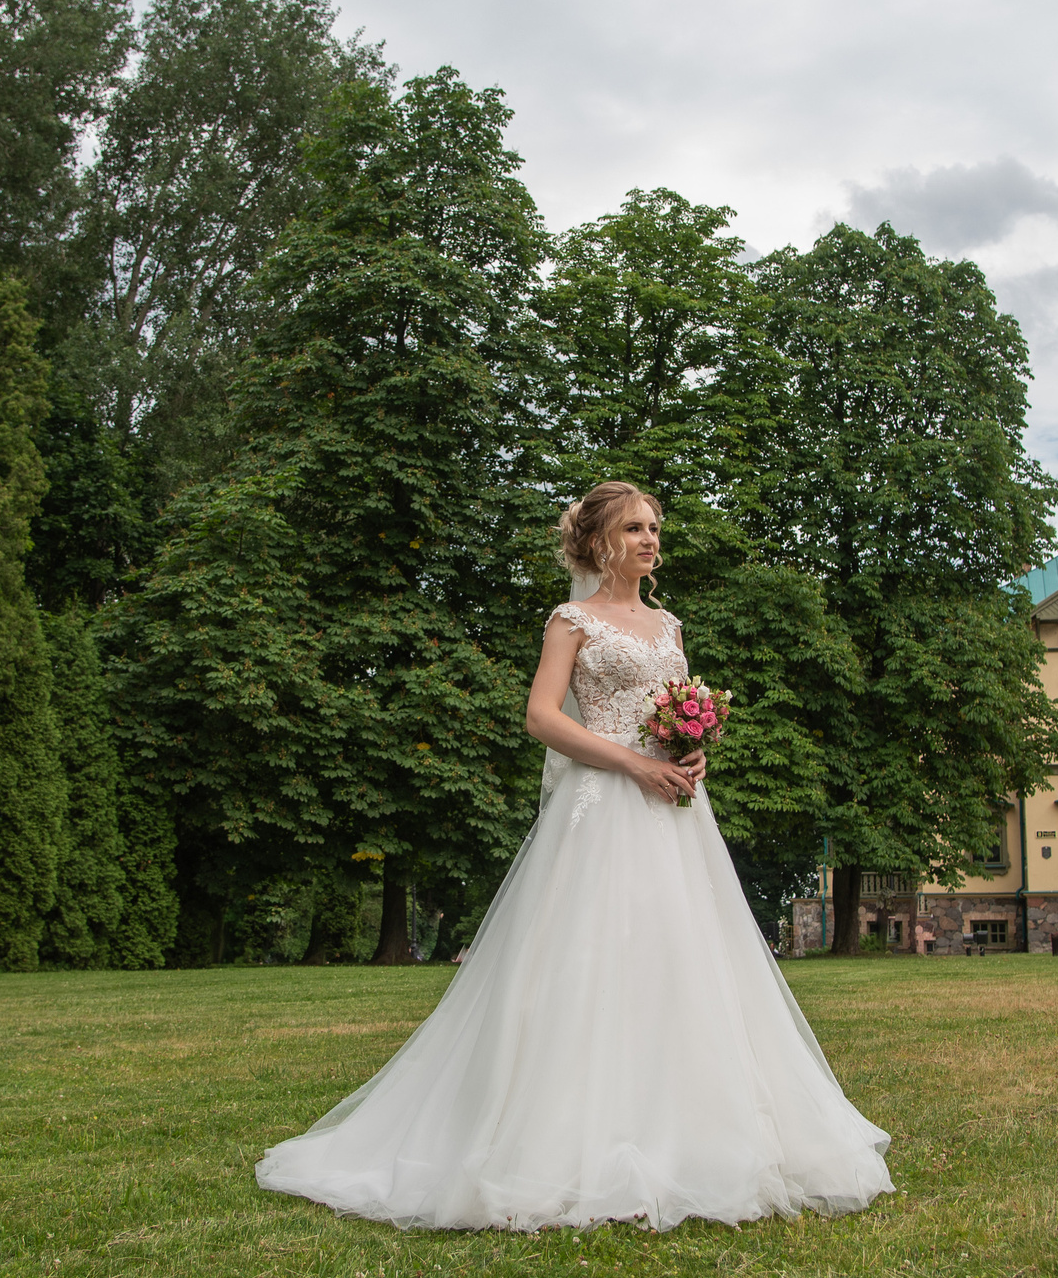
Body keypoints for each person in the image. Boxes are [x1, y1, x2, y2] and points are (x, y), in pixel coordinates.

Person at [254, 481, 894, 1230]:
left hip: (676, 813)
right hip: (602, 811)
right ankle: (569, 1138)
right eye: (634, 528)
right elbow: (541, 715)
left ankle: (696, 1133)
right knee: (593, 964)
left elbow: (679, 707)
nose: (651, 539)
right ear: (598, 543)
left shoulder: (668, 623)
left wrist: (694, 759)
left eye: (655, 527)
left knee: (686, 963)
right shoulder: (572, 621)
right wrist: (631, 762)